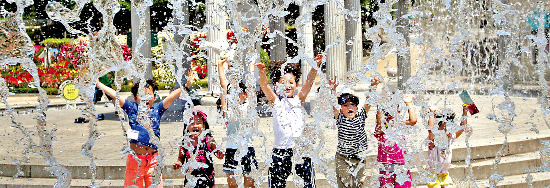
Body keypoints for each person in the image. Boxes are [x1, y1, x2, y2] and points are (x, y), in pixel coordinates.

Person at [95, 71, 194, 188]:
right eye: (141, 95)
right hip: (135, 160)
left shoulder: (158, 109)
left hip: (153, 160)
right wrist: (98, 84)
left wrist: (186, 86)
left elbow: (172, 96)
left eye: (149, 95)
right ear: (136, 97)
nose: (145, 99)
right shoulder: (132, 108)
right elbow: (115, 95)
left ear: (155, 96)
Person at [256, 54, 324, 188]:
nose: (287, 85)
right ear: (276, 85)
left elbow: (309, 82)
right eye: (283, 82)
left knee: (308, 183)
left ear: (296, 85)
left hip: (300, 149)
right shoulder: (275, 102)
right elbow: (264, 86)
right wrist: (262, 73)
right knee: (276, 185)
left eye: (291, 82)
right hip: (280, 151)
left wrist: (315, 66)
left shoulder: (299, 99)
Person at [329, 77, 379, 188]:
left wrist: (373, 86)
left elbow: (369, 101)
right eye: (345, 105)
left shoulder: (360, 116)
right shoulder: (340, 118)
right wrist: (333, 89)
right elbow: (333, 105)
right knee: (344, 183)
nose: (349, 107)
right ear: (341, 109)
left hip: (359, 156)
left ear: (356, 108)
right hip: (342, 156)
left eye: (352, 105)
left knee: (359, 183)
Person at [217, 57, 258, 188]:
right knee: (231, 180)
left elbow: (251, 86)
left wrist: (251, 66)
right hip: (231, 148)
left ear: (245, 95)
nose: (235, 95)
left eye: (239, 92)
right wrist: (220, 66)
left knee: (249, 181)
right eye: (232, 93)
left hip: (247, 147)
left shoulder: (248, 107)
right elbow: (224, 86)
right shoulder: (227, 110)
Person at [173, 110, 224, 188]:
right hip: (190, 176)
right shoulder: (185, 142)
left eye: (198, 122)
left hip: (206, 176)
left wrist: (220, 154)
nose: (195, 126)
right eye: (192, 123)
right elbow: (181, 157)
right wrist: (178, 163)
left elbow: (217, 152)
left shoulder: (208, 140)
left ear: (204, 126)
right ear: (186, 127)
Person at [375, 94, 417, 188]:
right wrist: (380, 106)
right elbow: (379, 122)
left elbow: (413, 121)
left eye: (393, 111)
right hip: (386, 167)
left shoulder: (400, 125)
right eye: (387, 112)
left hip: (402, 165)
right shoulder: (382, 129)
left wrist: (409, 103)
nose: (390, 115)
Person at [426, 105, 468, 188]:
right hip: (433, 176)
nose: (450, 130)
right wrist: (431, 113)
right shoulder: (434, 140)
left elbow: (463, 127)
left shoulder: (449, 138)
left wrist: (465, 111)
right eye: (447, 126)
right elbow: (430, 130)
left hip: (444, 174)